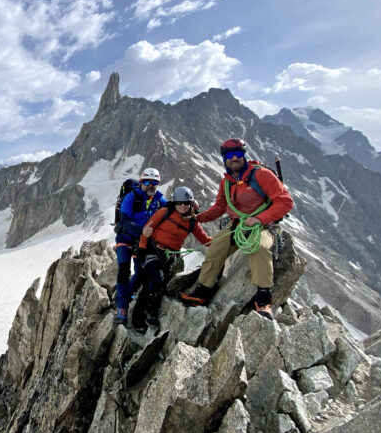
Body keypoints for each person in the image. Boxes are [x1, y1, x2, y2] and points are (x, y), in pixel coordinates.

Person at [179, 138, 293, 319]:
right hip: (236, 226)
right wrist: (197, 218)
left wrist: (259, 219)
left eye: (238, 154)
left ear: (244, 155)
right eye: (229, 156)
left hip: (263, 226)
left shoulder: (262, 175)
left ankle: (263, 298)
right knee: (215, 249)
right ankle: (202, 291)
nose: (234, 158)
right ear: (224, 159)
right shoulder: (227, 183)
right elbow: (219, 208)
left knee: (260, 249)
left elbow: (286, 201)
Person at [131, 186, 211, 332]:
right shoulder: (164, 212)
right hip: (153, 250)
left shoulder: (192, 222)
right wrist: (142, 248)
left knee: (157, 284)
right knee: (156, 279)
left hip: (169, 257)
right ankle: (144, 314)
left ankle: (144, 314)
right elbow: (147, 229)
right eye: (179, 203)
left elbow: (205, 240)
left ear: (190, 203)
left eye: (186, 203)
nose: (182, 206)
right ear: (174, 202)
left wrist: (226, 240)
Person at [114, 168, 167, 325]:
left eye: (154, 183)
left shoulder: (159, 200)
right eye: (147, 182)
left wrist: (190, 205)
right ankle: (122, 308)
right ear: (142, 182)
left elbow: (172, 209)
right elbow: (124, 221)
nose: (150, 186)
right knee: (124, 269)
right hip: (125, 237)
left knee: (141, 273)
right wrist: (141, 230)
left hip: (141, 242)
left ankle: (123, 295)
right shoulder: (132, 197)